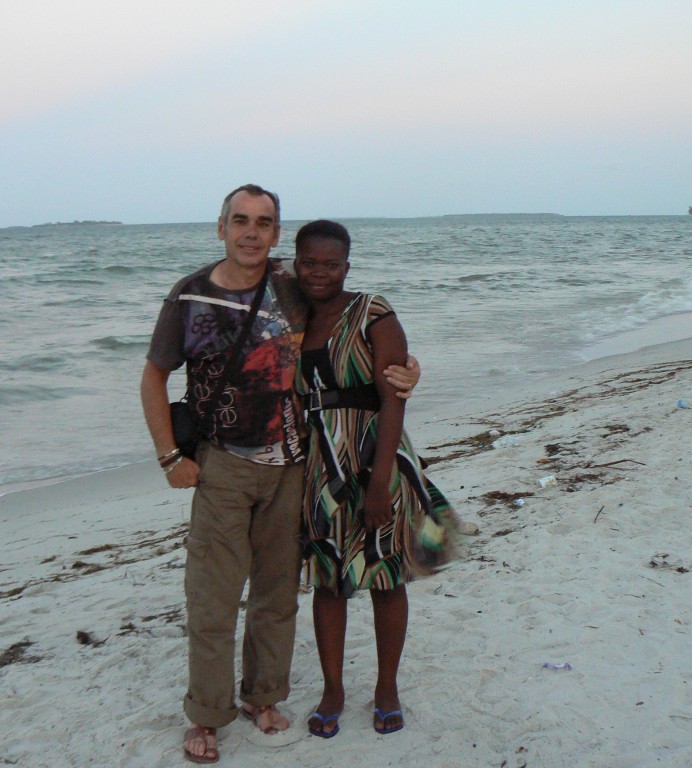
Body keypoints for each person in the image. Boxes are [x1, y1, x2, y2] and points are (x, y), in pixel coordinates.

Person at [140, 185, 419, 763]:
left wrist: (410, 370)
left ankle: (264, 698)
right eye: (240, 221)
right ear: (221, 227)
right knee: (213, 598)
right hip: (228, 463)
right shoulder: (190, 295)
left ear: (274, 235)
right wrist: (170, 457)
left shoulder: (294, 283)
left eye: (263, 223)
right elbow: (153, 377)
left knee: (279, 594)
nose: (250, 232)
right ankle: (208, 715)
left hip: (299, 464)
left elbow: (374, 349)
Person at [292, 219, 457, 740]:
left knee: (386, 579)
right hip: (321, 467)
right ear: (296, 264)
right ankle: (333, 690)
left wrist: (380, 480)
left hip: (376, 458)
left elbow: (393, 396)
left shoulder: (373, 312)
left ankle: (387, 688)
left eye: (331, 263)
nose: (320, 272)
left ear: (347, 265)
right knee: (328, 582)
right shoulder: (291, 316)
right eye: (310, 263)